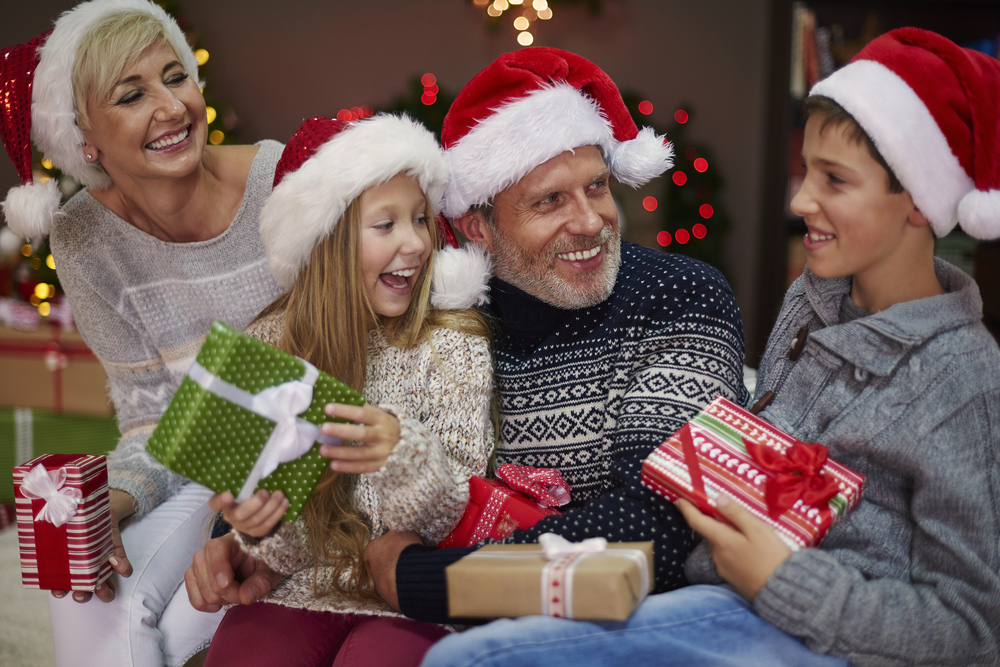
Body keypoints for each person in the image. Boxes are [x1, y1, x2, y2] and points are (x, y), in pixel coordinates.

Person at [418, 28, 1000, 667]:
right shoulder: (812, 304)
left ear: (918, 201)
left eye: (833, 180)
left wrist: (780, 581)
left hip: (786, 617)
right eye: (549, 199)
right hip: (724, 595)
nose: (800, 199)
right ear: (478, 226)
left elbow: (976, 627)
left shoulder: (964, 379)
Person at [187, 47, 750, 625]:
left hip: (607, 623)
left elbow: (666, 518)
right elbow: (306, 428)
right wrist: (240, 536)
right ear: (479, 225)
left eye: (598, 186)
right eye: (550, 199)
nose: (589, 221)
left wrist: (425, 581)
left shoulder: (680, 295)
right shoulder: (428, 315)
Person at [0, 1, 285, 664]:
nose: (171, 106)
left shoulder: (276, 181)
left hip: (295, 457)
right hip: (195, 455)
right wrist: (110, 504)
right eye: (133, 94)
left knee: (178, 621)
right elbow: (151, 419)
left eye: (175, 77)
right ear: (83, 139)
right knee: (82, 572)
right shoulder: (82, 237)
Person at [200, 113, 496, 667]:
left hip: (414, 594)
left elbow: (453, 520)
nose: (414, 242)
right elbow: (284, 555)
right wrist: (256, 527)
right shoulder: (265, 345)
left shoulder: (454, 341)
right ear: (328, 240)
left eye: (421, 219)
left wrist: (403, 455)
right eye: (384, 225)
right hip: (302, 586)